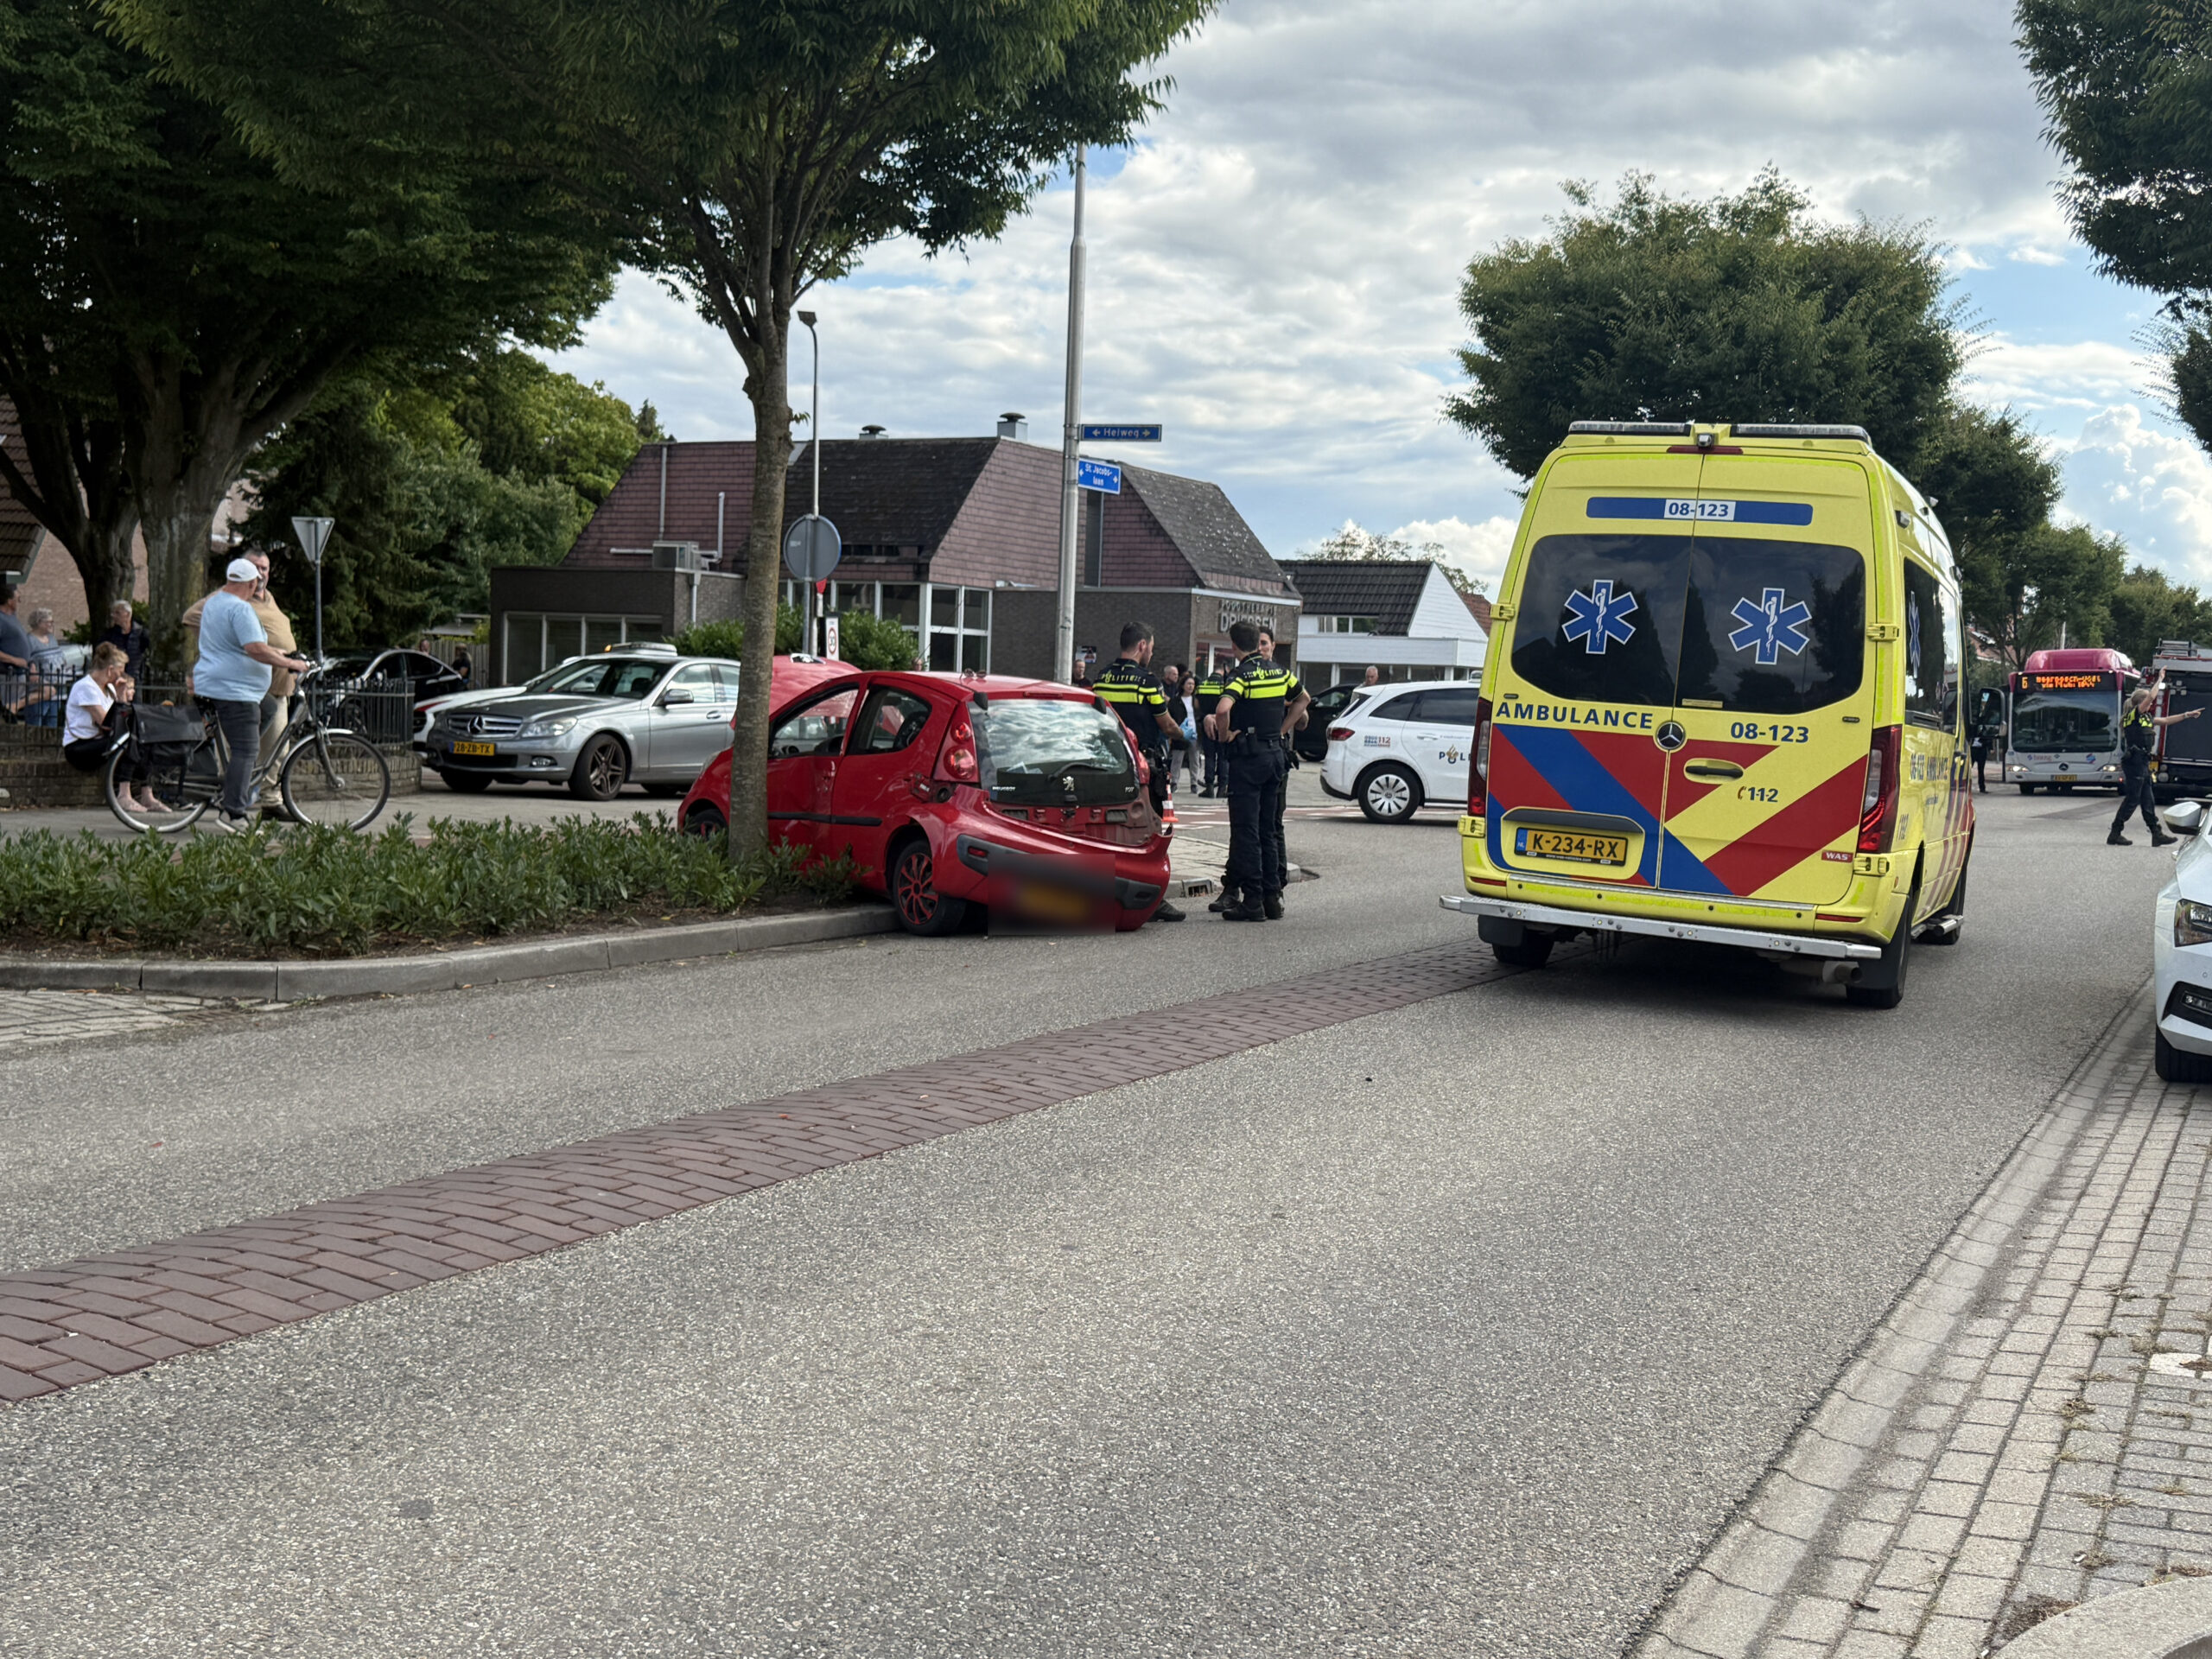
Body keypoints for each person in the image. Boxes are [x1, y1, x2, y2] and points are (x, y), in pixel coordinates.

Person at [194, 556, 314, 832]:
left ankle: (240, 767)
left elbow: (238, 644)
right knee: (247, 750)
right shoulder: (241, 609)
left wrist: (278, 652)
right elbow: (255, 649)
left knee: (270, 709)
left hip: (223, 684)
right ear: (250, 583)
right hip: (236, 689)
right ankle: (233, 813)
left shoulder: (215, 603)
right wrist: (291, 663)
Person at [1211, 619, 1308, 921]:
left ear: (1235, 646)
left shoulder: (1242, 675)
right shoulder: (1279, 672)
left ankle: (1251, 901)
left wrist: (1225, 735)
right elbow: (1304, 699)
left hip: (1249, 761)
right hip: (1274, 755)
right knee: (1269, 828)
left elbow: (1223, 709)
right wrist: (1281, 730)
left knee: (1246, 830)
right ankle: (1271, 898)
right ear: (1258, 642)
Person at [1090, 621, 1186, 923]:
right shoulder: (1147, 682)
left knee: (1110, 832)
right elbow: (1167, 724)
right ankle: (1153, 900)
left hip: (1106, 765)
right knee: (1153, 831)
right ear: (1142, 645)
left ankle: (1107, 892)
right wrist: (1186, 736)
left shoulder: (1102, 678)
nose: (1151, 654)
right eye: (1152, 648)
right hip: (1144, 767)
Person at [185, 549, 300, 771]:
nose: (260, 573)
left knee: (276, 748)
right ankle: (239, 793)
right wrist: (221, 649)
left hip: (279, 684)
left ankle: (268, 799)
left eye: (264, 568)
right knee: (243, 749)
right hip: (246, 687)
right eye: (254, 567)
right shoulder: (229, 598)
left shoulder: (269, 599)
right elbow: (192, 617)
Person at [61, 643, 165, 812]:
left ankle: (147, 796)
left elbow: (121, 718)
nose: (122, 674)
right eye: (120, 670)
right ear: (110, 670)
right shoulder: (86, 688)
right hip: (79, 747)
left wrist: (121, 694)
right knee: (127, 744)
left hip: (101, 740)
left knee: (143, 744)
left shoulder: (109, 688)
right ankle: (124, 796)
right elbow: (107, 725)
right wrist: (120, 702)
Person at [2113, 675, 2202, 847]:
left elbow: (2167, 721)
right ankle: (2115, 833)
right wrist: (2160, 678)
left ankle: (2156, 833)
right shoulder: (2134, 715)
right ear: (2141, 703)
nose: (2152, 705)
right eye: (2148, 702)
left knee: (2148, 799)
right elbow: (2151, 697)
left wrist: (2187, 715)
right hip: (2135, 763)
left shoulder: (2146, 718)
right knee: (2133, 799)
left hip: (2142, 762)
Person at [1194, 655, 1229, 795]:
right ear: (1222, 671)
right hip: (1221, 724)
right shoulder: (1225, 685)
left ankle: (1209, 788)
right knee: (1223, 756)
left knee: (1209, 756)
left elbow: (1196, 705)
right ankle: (1222, 788)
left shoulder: (1202, 685)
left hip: (1206, 723)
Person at [99, 601, 149, 682]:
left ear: (128, 614)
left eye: (117, 613)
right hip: (115, 678)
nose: (113, 616)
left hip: (135, 679)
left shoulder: (141, 633)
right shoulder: (109, 635)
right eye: (113, 613)